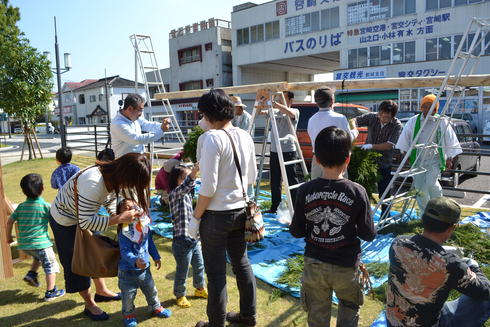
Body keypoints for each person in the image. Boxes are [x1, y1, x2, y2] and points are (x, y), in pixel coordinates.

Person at [290, 126, 376, 327]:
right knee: (349, 307)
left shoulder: (305, 190)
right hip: (346, 267)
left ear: (317, 158)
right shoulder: (357, 191)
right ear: (348, 158)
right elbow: (369, 234)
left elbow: (296, 231)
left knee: (317, 314)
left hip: (315, 265)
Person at [49, 153, 151, 321]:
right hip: (65, 220)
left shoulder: (111, 177)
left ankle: (102, 291)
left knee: (95, 253)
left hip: (83, 216)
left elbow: (108, 199)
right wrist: (118, 219)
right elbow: (86, 222)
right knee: (79, 261)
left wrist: (117, 213)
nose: (131, 187)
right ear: (125, 174)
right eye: (132, 182)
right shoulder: (93, 183)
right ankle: (89, 304)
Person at [192, 89, 257, 327]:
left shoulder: (211, 138)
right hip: (241, 209)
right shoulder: (244, 135)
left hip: (216, 216)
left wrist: (195, 218)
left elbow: (207, 188)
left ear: (208, 113)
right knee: (241, 263)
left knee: (217, 273)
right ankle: (248, 316)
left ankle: (216, 323)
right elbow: (251, 176)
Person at [386, 197, 490, 327]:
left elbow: (422, 252)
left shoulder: (398, 243)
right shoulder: (450, 265)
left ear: (423, 219)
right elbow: (485, 291)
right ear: (450, 228)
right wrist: (473, 266)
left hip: (394, 320)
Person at [395, 94, 462, 212]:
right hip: (417, 159)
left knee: (432, 183)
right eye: (425, 106)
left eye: (431, 107)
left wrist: (449, 158)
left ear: (436, 109)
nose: (427, 109)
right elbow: (405, 138)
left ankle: (440, 208)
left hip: (434, 158)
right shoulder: (413, 121)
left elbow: (449, 139)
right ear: (421, 108)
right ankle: (425, 214)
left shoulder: (441, 121)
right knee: (420, 188)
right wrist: (404, 154)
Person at [6, 174, 65, 301]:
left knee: (38, 257)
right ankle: (51, 292)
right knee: (51, 265)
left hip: (24, 244)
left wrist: (8, 237)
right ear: (42, 188)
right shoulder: (45, 206)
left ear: (23, 191)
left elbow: (10, 221)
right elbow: (58, 220)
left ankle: (32, 274)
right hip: (41, 243)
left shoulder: (21, 206)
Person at [117, 199, 171, 327]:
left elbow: (150, 243)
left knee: (151, 290)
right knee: (128, 296)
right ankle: (128, 314)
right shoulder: (124, 232)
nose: (130, 209)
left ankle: (155, 307)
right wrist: (135, 261)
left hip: (145, 270)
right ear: (120, 215)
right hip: (127, 273)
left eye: (133, 206)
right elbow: (125, 251)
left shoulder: (144, 227)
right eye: (126, 208)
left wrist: (156, 257)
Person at [353, 100, 402, 215]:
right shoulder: (372, 117)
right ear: (379, 112)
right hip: (367, 161)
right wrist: (353, 131)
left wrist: (371, 146)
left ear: (392, 116)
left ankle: (385, 216)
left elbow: (389, 145)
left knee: (384, 191)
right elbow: (354, 121)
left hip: (384, 163)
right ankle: (361, 214)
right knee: (363, 189)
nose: (382, 118)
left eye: (386, 117)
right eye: (381, 115)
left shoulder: (396, 125)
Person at [168, 163, 207, 308]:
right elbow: (186, 186)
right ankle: (180, 295)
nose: (189, 181)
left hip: (193, 239)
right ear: (176, 180)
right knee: (182, 270)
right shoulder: (174, 194)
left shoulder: (188, 195)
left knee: (199, 266)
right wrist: (195, 171)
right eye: (184, 177)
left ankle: (200, 288)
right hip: (181, 240)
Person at [307, 87, 358, 179]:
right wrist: (355, 131)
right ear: (332, 101)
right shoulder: (340, 118)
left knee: (317, 190)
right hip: (336, 161)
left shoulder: (311, 119)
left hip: (318, 159)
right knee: (339, 190)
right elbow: (347, 139)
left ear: (317, 102)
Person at [263, 91, 300, 214]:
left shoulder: (295, 111)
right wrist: (262, 100)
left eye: (283, 98)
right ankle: (274, 207)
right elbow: (259, 112)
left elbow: (289, 113)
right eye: (279, 98)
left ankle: (295, 208)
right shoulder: (274, 112)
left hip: (288, 150)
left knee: (291, 179)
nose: (280, 100)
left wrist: (275, 103)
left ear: (290, 100)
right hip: (275, 150)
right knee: (275, 179)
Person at [110, 93, 170, 159]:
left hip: (136, 159)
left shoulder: (133, 117)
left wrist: (162, 125)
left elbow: (147, 124)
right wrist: (161, 131)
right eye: (140, 110)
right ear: (130, 108)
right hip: (124, 163)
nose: (141, 114)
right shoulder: (118, 123)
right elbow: (137, 139)